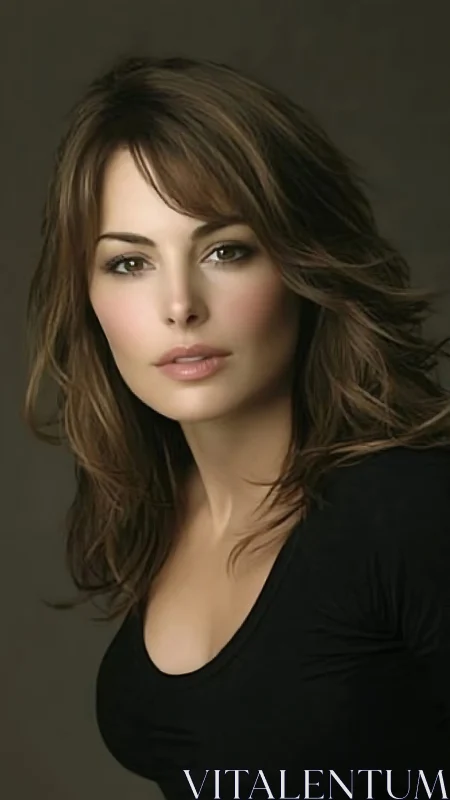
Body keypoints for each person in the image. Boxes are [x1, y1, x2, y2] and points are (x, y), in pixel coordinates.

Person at [23, 54, 450, 799]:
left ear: (302, 264)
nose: (179, 304)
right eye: (129, 263)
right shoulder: (162, 515)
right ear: (86, 297)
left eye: (226, 251)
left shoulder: (411, 513)